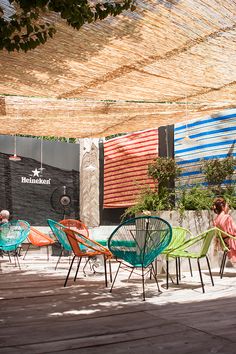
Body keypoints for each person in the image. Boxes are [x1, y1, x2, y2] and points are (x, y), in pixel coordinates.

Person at [212, 197, 236, 263]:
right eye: (227, 206)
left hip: (225, 243)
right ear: (223, 207)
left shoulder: (216, 220)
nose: (228, 208)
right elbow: (234, 230)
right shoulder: (226, 217)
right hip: (232, 243)